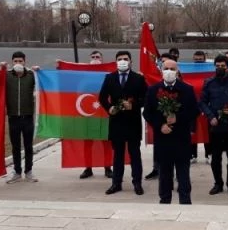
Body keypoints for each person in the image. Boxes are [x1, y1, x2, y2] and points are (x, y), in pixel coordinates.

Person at [144, 58, 199, 204]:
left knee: (183, 173)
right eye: (166, 68)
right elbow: (147, 113)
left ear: (177, 71)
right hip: (163, 138)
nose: (169, 72)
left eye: (172, 69)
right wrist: (160, 125)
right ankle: (165, 199)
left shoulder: (187, 89)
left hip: (181, 138)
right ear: (161, 70)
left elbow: (194, 111)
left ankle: (185, 199)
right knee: (164, 173)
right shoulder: (153, 90)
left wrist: (177, 119)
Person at [0, 51, 39, 183]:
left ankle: (29, 171)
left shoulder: (31, 75)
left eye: (20, 61)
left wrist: (39, 72)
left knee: (28, 146)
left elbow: (45, 85)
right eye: (15, 61)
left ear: (25, 62)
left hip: (27, 117)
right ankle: (17, 172)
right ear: (12, 62)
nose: (18, 64)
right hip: (13, 117)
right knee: (15, 146)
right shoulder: (6, 75)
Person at [98, 50, 148, 196]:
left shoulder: (138, 78)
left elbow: (145, 98)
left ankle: (137, 183)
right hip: (116, 122)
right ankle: (116, 183)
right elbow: (101, 98)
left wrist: (134, 105)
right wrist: (109, 108)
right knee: (118, 155)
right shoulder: (110, 78)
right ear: (116, 62)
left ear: (130, 61)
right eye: (120, 59)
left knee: (135, 154)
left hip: (133, 122)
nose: (122, 61)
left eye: (125, 59)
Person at [200, 55, 228, 196]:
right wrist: (210, 116)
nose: (220, 68)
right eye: (218, 65)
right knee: (215, 157)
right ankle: (218, 183)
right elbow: (202, 102)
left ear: (227, 66)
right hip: (214, 125)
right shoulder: (209, 82)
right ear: (214, 66)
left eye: (223, 66)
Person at [80, 50, 112, 180]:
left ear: (102, 60)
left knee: (106, 142)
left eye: (97, 57)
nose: (95, 59)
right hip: (88, 115)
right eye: (92, 57)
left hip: (104, 113)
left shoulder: (108, 75)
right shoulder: (83, 75)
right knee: (88, 144)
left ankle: (108, 168)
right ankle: (88, 168)